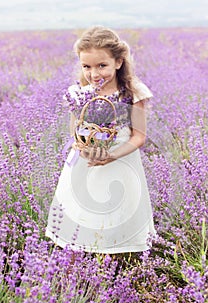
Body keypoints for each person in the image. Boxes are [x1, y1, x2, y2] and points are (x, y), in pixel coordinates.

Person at [45, 26, 156, 255]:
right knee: (80, 217)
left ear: (118, 62)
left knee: (119, 216)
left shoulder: (132, 93)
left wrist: (112, 155)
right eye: (87, 66)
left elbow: (139, 136)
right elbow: (75, 133)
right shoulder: (77, 93)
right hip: (85, 164)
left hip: (121, 164)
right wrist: (83, 148)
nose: (94, 74)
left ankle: (117, 264)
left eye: (101, 65)